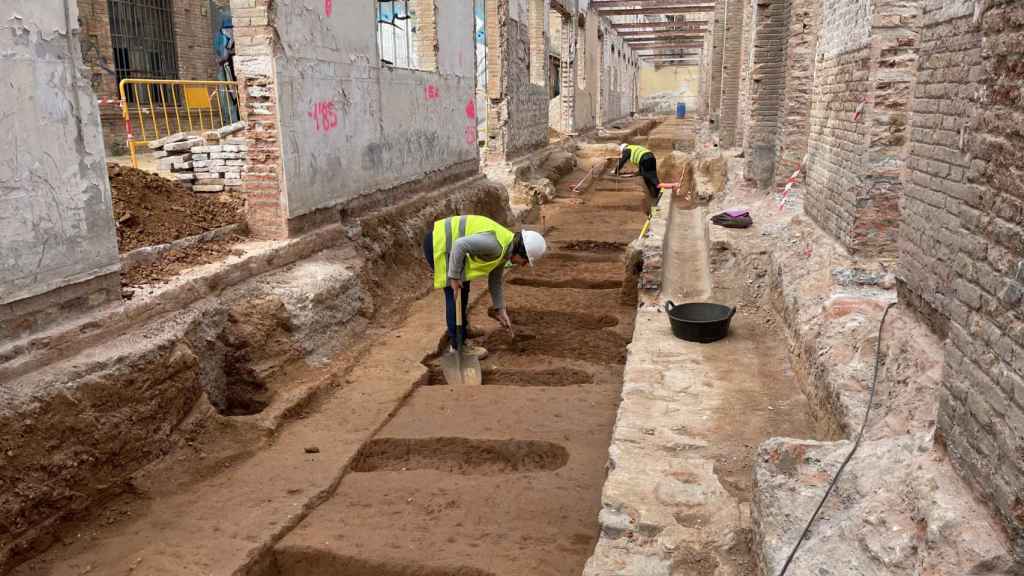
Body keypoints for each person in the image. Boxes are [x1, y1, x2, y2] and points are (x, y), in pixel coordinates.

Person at [423, 215, 547, 358]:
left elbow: (495, 281)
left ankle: (463, 329)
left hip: (452, 246)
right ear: (520, 251)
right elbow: (459, 245)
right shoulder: (494, 245)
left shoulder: (505, 247)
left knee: (464, 288)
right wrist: (454, 276)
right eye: (525, 261)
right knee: (455, 294)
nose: (524, 265)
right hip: (440, 243)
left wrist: (500, 309)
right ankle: (459, 347)